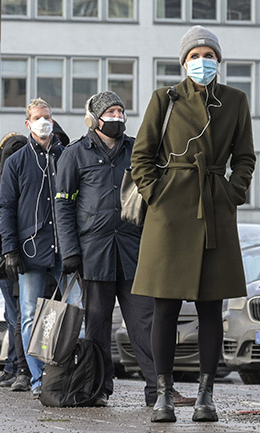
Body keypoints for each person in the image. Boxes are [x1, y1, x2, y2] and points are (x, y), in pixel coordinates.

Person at [131, 26, 255, 423]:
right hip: (168, 217)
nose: (202, 62)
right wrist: (157, 196)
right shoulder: (163, 99)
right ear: (184, 62)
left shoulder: (235, 101)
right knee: (163, 308)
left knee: (210, 309)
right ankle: (163, 394)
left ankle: (206, 394)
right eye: (195, 56)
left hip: (214, 212)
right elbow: (141, 156)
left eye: (209, 55)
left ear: (219, 61)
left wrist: (231, 193)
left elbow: (247, 158)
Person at [55, 90, 158, 408]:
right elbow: (63, 207)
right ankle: (98, 387)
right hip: (94, 252)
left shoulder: (136, 150)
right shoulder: (75, 154)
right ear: (95, 119)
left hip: (132, 251)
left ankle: (158, 389)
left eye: (121, 112)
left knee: (146, 321)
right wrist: (70, 250)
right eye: (111, 112)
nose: (117, 118)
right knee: (97, 324)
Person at [0, 97, 81, 398]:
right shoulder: (16, 162)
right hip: (30, 249)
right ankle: (37, 378)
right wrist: (10, 248)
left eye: (47, 115)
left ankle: (73, 373)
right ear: (28, 122)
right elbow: (5, 207)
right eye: (38, 117)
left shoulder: (67, 155)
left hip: (65, 248)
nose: (44, 121)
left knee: (75, 310)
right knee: (30, 313)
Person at [0, 132, 31, 390]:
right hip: (26, 255)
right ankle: (19, 367)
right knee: (22, 315)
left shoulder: (0, 183)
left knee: (15, 316)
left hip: (5, 256)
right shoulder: (31, 178)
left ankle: (16, 367)